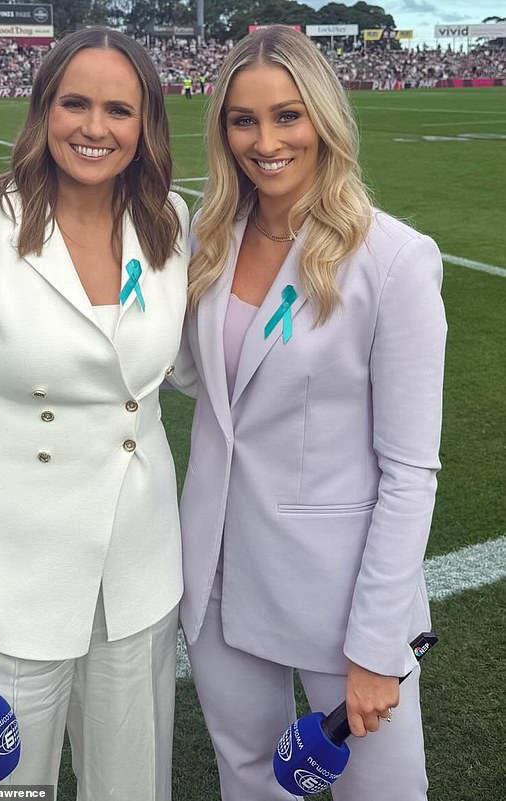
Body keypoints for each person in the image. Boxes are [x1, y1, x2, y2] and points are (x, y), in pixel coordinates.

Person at [0, 27, 189, 797]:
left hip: (138, 572)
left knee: (131, 784)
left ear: (146, 125)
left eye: (118, 110)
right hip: (9, 585)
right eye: (75, 103)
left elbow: (193, 366)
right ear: (44, 111)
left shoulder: (172, 221)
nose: (94, 128)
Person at [173, 25, 446, 801]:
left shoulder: (392, 259)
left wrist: (376, 642)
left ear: (324, 118)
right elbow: (208, 384)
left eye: (288, 116)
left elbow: (410, 470)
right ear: (222, 129)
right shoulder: (209, 236)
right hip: (218, 575)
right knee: (250, 785)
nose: (266, 141)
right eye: (243, 119)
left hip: (340, 597)